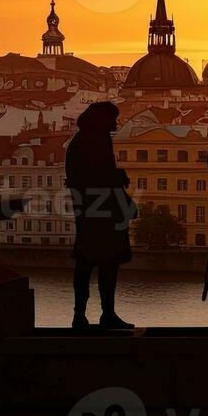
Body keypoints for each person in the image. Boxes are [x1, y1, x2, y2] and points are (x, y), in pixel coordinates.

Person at [65, 101, 135, 331]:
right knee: (102, 264)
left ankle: (84, 316)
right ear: (101, 120)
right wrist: (119, 181)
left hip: (93, 209)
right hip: (99, 211)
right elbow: (99, 177)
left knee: (93, 264)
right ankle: (100, 315)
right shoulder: (93, 141)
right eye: (112, 119)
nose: (115, 123)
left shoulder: (86, 139)